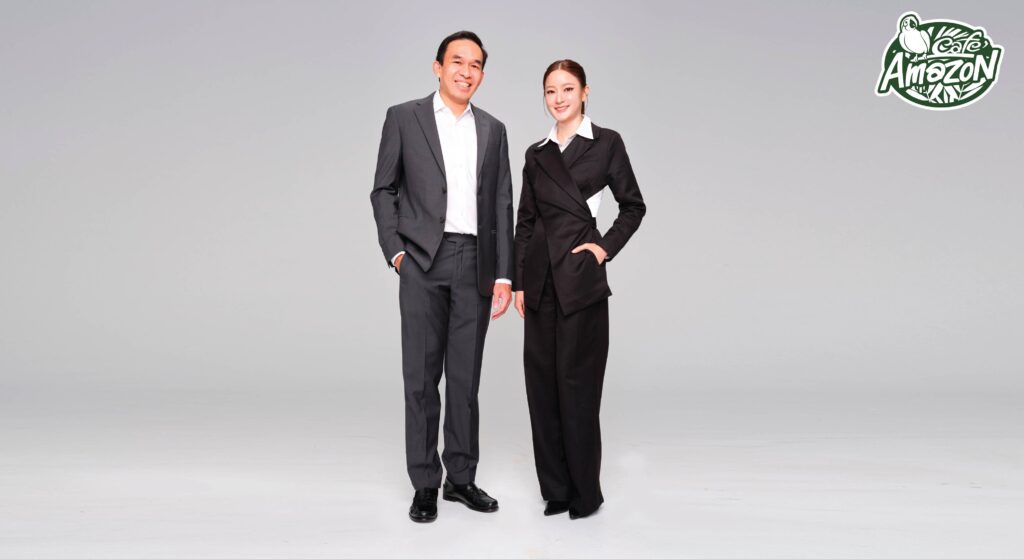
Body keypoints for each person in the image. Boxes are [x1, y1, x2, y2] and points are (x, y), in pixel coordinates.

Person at [370, 30, 514, 523]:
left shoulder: (493, 129)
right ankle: (425, 483)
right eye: (457, 62)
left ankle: (461, 478)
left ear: (482, 75)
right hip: (422, 261)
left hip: (475, 262)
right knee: (421, 378)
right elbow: (383, 189)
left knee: (465, 380)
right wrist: (396, 253)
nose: (465, 72)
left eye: (475, 65)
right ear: (438, 67)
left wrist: (504, 275)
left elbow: (502, 202)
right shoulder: (403, 117)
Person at [513, 59, 646, 519]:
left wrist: (603, 248)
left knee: (579, 388)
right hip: (539, 282)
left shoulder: (606, 142)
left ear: (585, 92)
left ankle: (585, 492)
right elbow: (525, 222)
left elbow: (633, 206)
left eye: (567, 89)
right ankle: (556, 489)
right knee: (542, 388)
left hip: (580, 280)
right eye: (551, 91)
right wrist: (519, 282)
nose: (559, 98)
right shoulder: (536, 153)